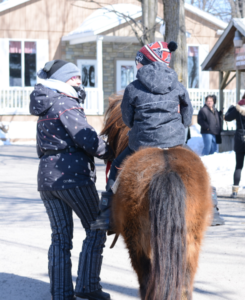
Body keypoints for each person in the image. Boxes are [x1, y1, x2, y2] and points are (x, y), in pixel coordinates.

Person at [30, 60, 113, 300]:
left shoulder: (46, 104)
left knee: (60, 236)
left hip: (47, 179)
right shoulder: (66, 103)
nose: (79, 80)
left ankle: (61, 293)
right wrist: (112, 153)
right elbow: (86, 138)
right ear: (62, 80)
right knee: (97, 227)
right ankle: (87, 287)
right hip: (71, 176)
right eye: (73, 77)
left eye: (79, 76)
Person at [91, 41, 193, 230]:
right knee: (197, 166)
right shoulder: (178, 86)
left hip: (142, 144)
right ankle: (212, 202)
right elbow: (187, 114)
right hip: (174, 142)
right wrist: (181, 125)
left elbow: (128, 119)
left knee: (117, 168)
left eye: (138, 61)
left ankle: (107, 213)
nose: (136, 65)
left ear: (145, 61)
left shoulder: (133, 88)